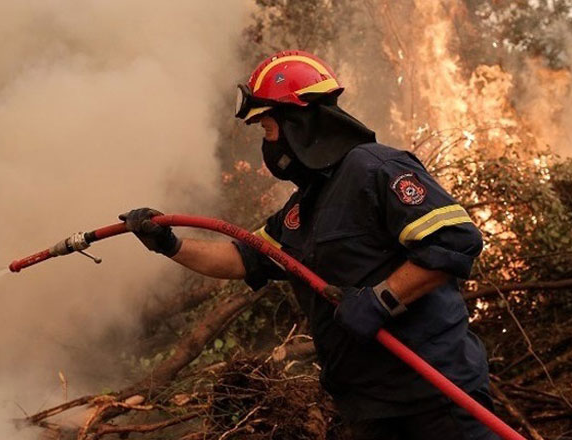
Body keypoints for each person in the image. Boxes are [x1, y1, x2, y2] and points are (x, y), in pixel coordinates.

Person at [121, 50, 498, 440]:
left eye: (267, 128)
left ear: (298, 123)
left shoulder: (376, 169)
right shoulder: (302, 209)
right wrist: (169, 243)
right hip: (368, 406)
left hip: (435, 395)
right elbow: (242, 258)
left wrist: (382, 299)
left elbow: (453, 240)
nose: (267, 142)